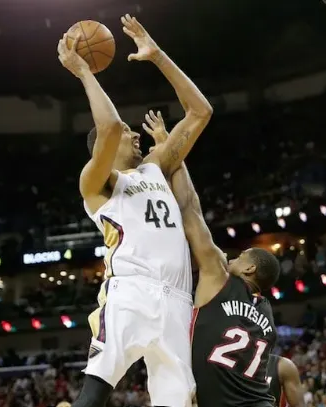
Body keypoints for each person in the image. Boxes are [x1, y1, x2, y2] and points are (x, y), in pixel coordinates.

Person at [56, 13, 212, 407]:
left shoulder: (157, 166)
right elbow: (109, 127)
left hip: (177, 300)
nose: (135, 134)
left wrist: (157, 55)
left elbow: (200, 111)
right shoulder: (97, 183)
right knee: (94, 396)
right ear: (105, 148)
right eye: (130, 132)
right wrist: (82, 72)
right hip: (130, 293)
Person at [141, 110, 281, 407]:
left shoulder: (220, 277)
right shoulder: (267, 315)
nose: (232, 258)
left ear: (250, 268)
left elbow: (189, 208)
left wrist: (170, 149)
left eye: (240, 256)